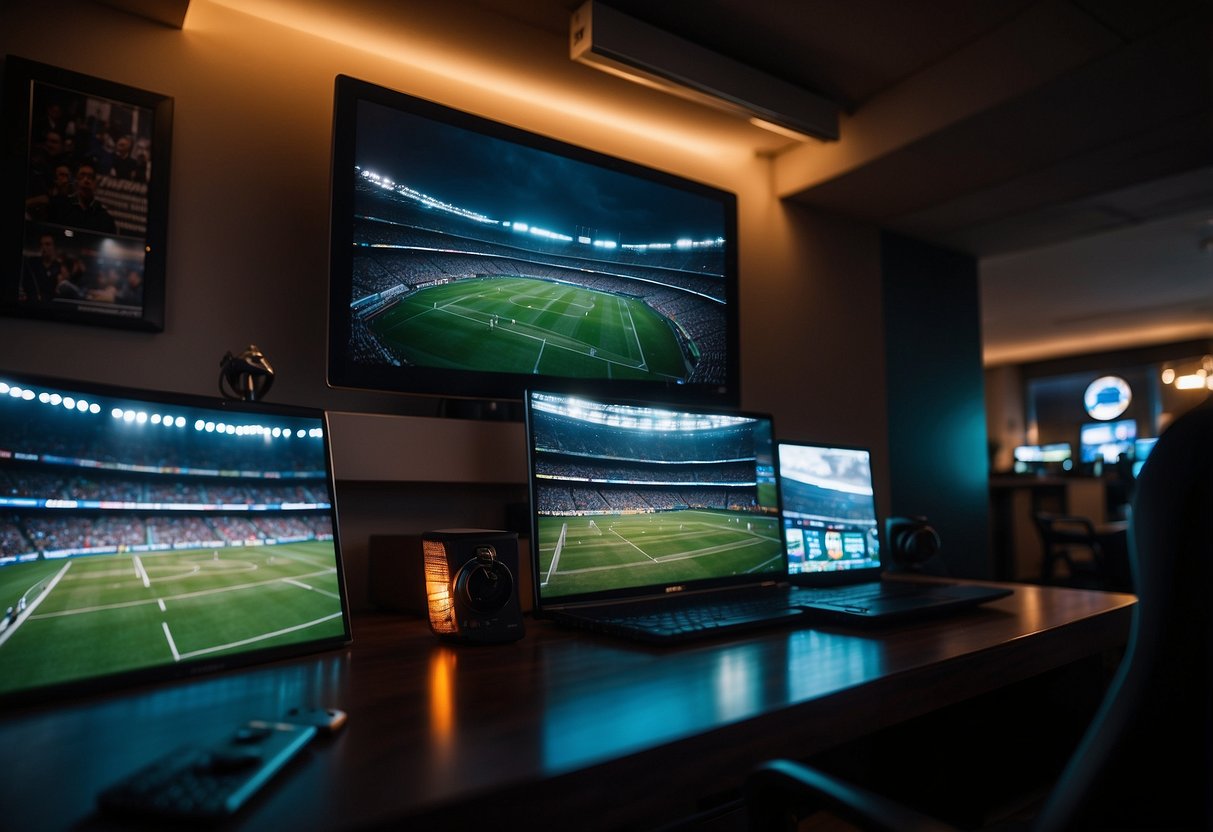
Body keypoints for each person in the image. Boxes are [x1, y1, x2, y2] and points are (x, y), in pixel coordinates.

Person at [47, 162, 117, 234]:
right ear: (75, 182)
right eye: (82, 176)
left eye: (91, 177)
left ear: (96, 185)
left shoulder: (105, 219)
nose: (86, 180)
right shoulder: (59, 208)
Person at [20, 232, 61, 302]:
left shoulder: (59, 267)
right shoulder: (32, 263)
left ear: (54, 246)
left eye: (48, 244)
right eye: (42, 244)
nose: (44, 247)